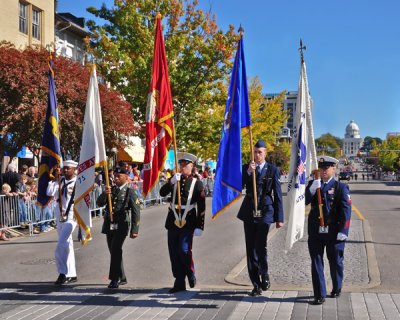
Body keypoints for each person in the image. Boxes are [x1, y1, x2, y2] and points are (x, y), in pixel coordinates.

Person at [237, 139, 284, 297]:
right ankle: (256, 284)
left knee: (260, 245)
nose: (257, 155)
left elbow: (277, 195)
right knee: (250, 248)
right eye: (255, 152)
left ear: (265, 153)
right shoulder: (247, 167)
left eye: (260, 152)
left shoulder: (272, 170)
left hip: (265, 210)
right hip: (249, 209)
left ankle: (264, 272)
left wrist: (279, 217)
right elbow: (240, 185)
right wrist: (249, 172)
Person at [305, 156, 352, 305]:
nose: (324, 170)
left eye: (327, 167)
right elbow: (301, 202)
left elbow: (346, 211)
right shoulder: (313, 184)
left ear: (334, 169)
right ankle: (319, 294)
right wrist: (311, 190)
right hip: (316, 230)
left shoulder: (340, 187)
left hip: (333, 230)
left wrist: (343, 231)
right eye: (322, 167)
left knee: (336, 261)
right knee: (316, 261)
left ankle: (337, 287)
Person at [159, 152, 205, 293]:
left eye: (186, 165)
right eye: (181, 165)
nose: (183, 167)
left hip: (188, 221)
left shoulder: (197, 184)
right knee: (173, 253)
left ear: (192, 167)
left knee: (184, 251)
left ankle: (190, 273)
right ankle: (179, 281)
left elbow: (201, 207)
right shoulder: (174, 181)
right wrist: (171, 182)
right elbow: (161, 193)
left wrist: (200, 226)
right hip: (173, 220)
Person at [97, 167, 141, 289]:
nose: (115, 178)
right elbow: (99, 203)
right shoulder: (111, 190)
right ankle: (122, 276)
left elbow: (136, 211)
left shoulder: (130, 192)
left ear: (126, 177)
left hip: (122, 224)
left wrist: (134, 230)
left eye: (118, 176)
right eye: (114, 176)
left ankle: (114, 278)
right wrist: (104, 194)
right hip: (109, 224)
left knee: (116, 249)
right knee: (113, 251)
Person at [46, 160, 78, 285]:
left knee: (61, 244)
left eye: (68, 168)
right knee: (67, 244)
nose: (65, 170)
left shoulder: (78, 183)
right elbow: (49, 192)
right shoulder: (60, 181)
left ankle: (62, 273)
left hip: (72, 216)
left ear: (74, 170)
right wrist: (55, 180)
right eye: (64, 168)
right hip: (60, 215)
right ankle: (72, 273)